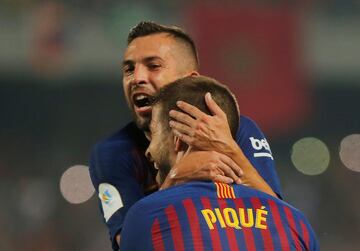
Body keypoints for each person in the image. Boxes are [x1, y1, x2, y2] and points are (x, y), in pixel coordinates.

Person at [89, 21, 282, 250]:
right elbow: (127, 244)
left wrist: (230, 149)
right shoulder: (113, 153)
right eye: (129, 69)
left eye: (153, 65)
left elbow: (279, 219)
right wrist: (177, 177)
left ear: (189, 79)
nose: (137, 78)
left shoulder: (238, 129)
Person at [120, 76, 319, 251]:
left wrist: (172, 180)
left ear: (178, 140)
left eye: (153, 135)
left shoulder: (146, 216)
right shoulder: (296, 223)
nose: (148, 150)